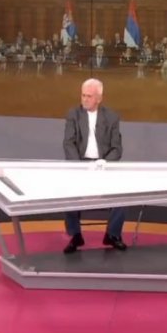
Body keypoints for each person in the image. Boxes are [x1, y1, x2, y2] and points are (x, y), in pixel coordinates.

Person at [62, 78, 126, 253]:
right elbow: (68, 143)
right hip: (80, 164)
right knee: (68, 195)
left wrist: (104, 163)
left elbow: (117, 148)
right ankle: (75, 236)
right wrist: (79, 167)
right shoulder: (73, 114)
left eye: (89, 96)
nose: (84, 99)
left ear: (99, 98)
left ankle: (113, 234)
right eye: (83, 95)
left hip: (103, 165)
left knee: (122, 194)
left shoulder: (112, 117)